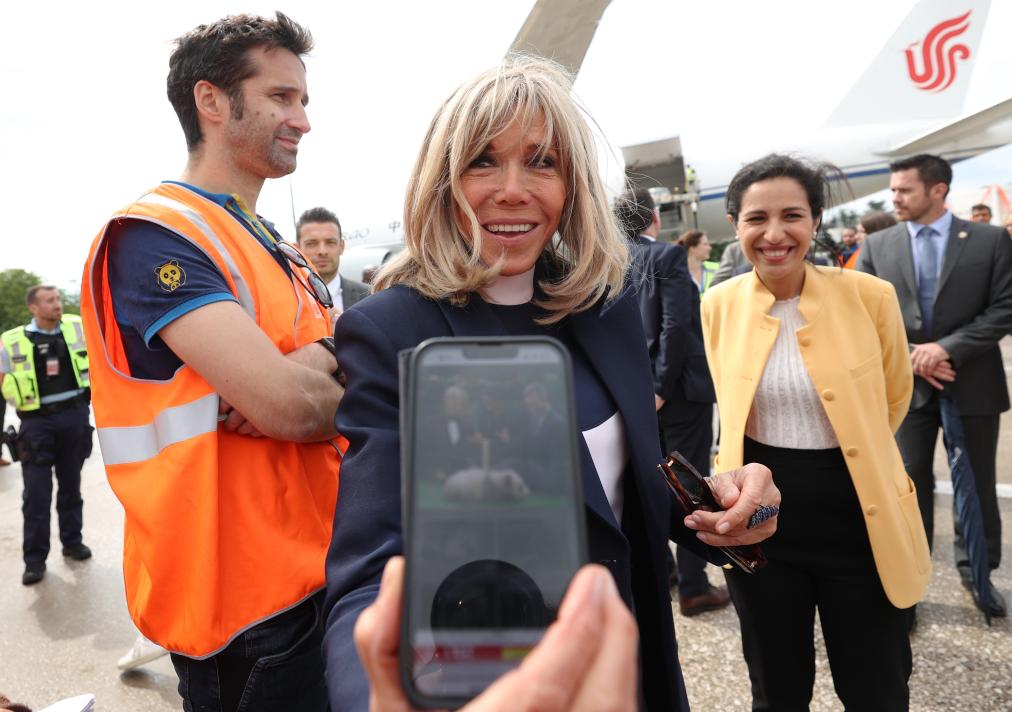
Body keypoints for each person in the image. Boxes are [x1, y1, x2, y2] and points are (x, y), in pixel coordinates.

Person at [323, 55, 780, 712]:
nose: (513, 189)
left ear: (572, 185)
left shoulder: (605, 308)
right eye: (482, 161)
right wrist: (376, 694)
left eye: (542, 162)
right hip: (501, 681)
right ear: (441, 182)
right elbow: (370, 568)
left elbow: (623, 489)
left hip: (634, 664)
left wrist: (728, 504)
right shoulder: (392, 330)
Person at [79, 13, 344, 711]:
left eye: (303, 100)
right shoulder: (157, 234)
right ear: (212, 101)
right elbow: (293, 408)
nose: (303, 120)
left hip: (320, 570)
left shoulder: (269, 243)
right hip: (246, 612)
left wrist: (325, 358)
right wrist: (345, 386)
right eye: (281, 97)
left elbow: (330, 370)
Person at [702, 154, 932, 710]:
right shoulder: (718, 304)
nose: (774, 234)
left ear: (816, 221)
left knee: (876, 687)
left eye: (792, 216)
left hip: (860, 516)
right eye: (757, 218)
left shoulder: (871, 296)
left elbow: (894, 397)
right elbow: (729, 403)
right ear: (734, 224)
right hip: (759, 519)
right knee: (776, 688)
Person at [856, 153, 1012, 620]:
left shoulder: (989, 240)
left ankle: (979, 573)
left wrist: (945, 349)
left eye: (904, 190)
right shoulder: (878, 244)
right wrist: (911, 355)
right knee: (907, 486)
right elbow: (860, 315)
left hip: (973, 381)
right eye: (893, 190)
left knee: (977, 484)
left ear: (938, 190)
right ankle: (908, 586)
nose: (895, 198)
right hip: (905, 388)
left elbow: (1005, 306)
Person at [616, 188, 729, 617]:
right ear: (655, 218)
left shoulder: (606, 261)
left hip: (632, 394)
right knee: (691, 483)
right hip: (678, 392)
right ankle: (695, 586)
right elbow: (676, 326)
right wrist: (661, 388)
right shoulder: (667, 256)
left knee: (648, 482)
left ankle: (664, 570)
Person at [1, 286, 93, 586]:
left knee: (71, 486)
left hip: (74, 415)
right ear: (33, 308)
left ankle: (72, 542)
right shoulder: (12, 340)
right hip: (36, 423)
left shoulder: (77, 327)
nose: (57, 304)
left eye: (58, 299)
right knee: (36, 495)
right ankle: (35, 560)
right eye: (49, 300)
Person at [296, 206, 370, 316]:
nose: (322, 251)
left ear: (341, 246)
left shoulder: (369, 296)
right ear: (297, 249)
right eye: (311, 243)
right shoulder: (287, 298)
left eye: (330, 242)